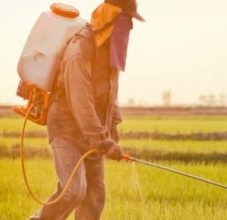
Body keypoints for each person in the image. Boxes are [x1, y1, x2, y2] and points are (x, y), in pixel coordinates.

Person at [30, 0, 144, 219]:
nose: (128, 26)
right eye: (125, 19)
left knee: (95, 196)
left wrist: (112, 130)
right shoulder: (80, 48)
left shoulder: (111, 50)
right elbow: (81, 104)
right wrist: (103, 141)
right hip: (66, 129)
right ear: (111, 16)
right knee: (73, 191)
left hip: (92, 133)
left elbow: (111, 93)